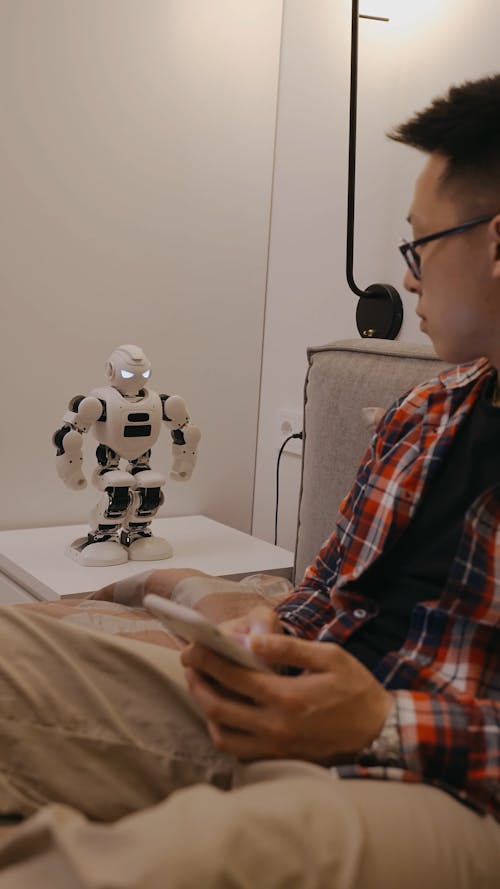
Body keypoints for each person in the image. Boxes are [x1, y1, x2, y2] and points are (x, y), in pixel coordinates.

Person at [0, 74, 499, 888]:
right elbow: (323, 597)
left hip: (450, 791)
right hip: (291, 717)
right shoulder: (425, 411)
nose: (406, 280)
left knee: (169, 861)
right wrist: (250, 634)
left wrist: (380, 722)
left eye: (419, 246)